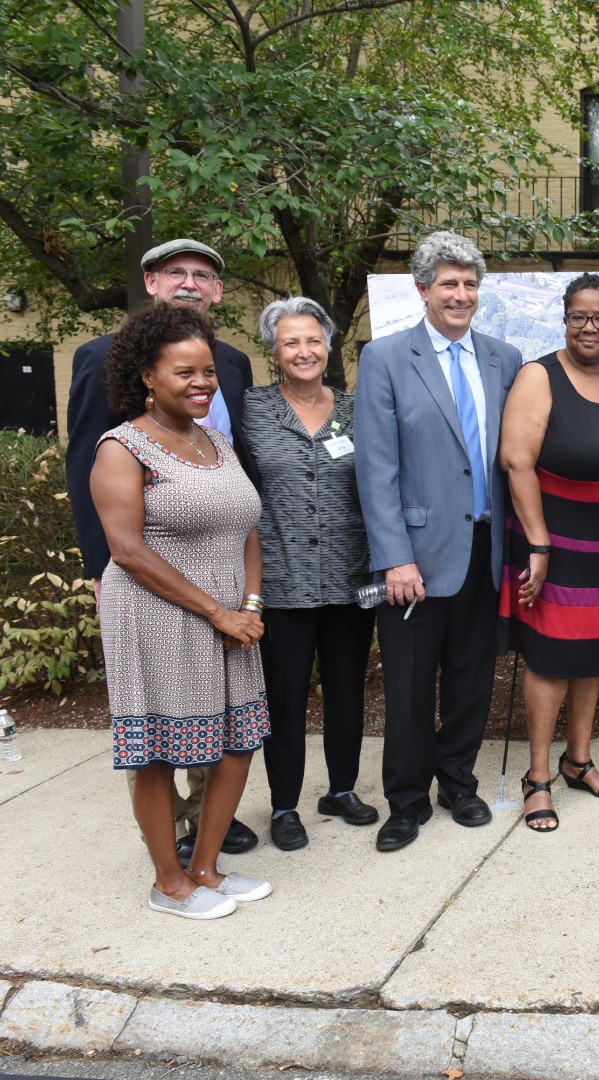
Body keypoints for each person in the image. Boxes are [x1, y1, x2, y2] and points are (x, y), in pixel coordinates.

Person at [65, 237, 259, 862]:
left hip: (223, 570)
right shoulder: (103, 361)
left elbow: (241, 471)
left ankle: (209, 828)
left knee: (226, 726)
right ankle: (171, 844)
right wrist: (102, 565)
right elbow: (88, 474)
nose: (190, 283)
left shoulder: (232, 363)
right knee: (158, 731)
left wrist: (247, 596)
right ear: (150, 282)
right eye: (176, 272)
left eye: (204, 275)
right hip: (148, 582)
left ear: (218, 291)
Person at [89, 303, 272, 919]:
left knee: (238, 743)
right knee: (162, 752)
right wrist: (219, 614)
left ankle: (206, 867)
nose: (201, 383)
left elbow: (247, 525)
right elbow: (128, 551)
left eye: (208, 372)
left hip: (230, 619)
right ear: (148, 375)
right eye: (184, 373)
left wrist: (246, 605)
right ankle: (168, 883)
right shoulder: (123, 448)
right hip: (156, 617)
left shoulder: (216, 440)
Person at [355, 231, 524, 852]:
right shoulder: (386, 358)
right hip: (415, 558)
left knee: (471, 678)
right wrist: (394, 555)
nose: (461, 295)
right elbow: (376, 467)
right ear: (422, 290)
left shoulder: (505, 359)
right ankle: (405, 800)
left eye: (470, 284)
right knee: (407, 683)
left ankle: (457, 781)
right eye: (448, 283)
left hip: (486, 549)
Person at [498, 273, 599, 831]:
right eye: (578, 317)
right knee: (551, 659)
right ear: (564, 319)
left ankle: (578, 760)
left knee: (595, 655)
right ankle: (537, 777)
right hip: (554, 545)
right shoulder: (539, 376)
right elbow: (517, 461)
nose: (589, 327)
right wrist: (538, 544)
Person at [235, 298, 377, 851]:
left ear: (329, 346)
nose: (304, 351)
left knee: (348, 691)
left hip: (350, 576)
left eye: (313, 340)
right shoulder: (250, 409)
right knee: (286, 697)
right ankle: (285, 804)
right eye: (291, 342)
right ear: (275, 351)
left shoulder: (356, 408)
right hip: (281, 579)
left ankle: (341, 789)